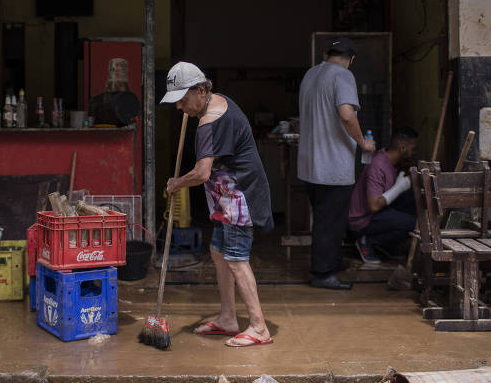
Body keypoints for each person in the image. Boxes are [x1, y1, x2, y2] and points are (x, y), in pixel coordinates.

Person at [161, 61, 274, 348]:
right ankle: (227, 318)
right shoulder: (216, 102)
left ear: (201, 89)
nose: (179, 108)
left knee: (236, 259)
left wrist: (176, 183)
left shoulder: (209, 122)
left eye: (183, 100)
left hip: (239, 197)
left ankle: (259, 328)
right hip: (226, 197)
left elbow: (202, 173)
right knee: (218, 252)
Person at [298, 38, 376, 290]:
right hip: (332, 165)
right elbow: (346, 113)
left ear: (326, 54)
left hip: (310, 164)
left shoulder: (310, 74)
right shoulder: (343, 76)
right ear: (351, 60)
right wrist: (363, 142)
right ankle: (322, 274)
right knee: (329, 220)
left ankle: (332, 260)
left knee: (325, 215)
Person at [348, 127, 419, 264]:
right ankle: (367, 241)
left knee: (412, 200)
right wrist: (400, 187)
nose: (415, 153)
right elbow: (374, 206)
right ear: (402, 148)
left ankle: (386, 244)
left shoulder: (391, 162)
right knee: (414, 223)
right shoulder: (378, 166)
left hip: (377, 212)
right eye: (413, 149)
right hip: (362, 220)